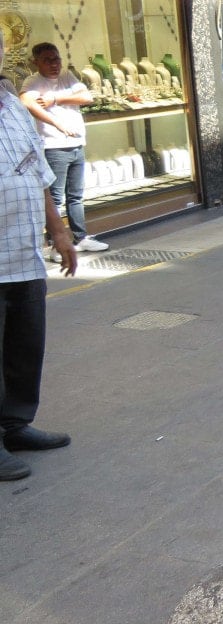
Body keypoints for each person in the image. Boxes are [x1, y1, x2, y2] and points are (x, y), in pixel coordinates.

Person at [0, 29, 79, 481]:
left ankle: (14, 425)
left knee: (24, 347)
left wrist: (59, 230)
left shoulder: (12, 102)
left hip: (23, 253)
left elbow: (37, 169)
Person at [19, 42, 108, 256]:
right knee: (55, 198)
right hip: (54, 147)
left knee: (76, 195)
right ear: (36, 62)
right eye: (47, 60)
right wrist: (57, 124)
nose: (54, 64)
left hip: (76, 144)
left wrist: (55, 99)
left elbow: (87, 97)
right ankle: (54, 244)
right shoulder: (33, 82)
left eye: (56, 59)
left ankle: (81, 237)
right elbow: (27, 103)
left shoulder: (67, 76)